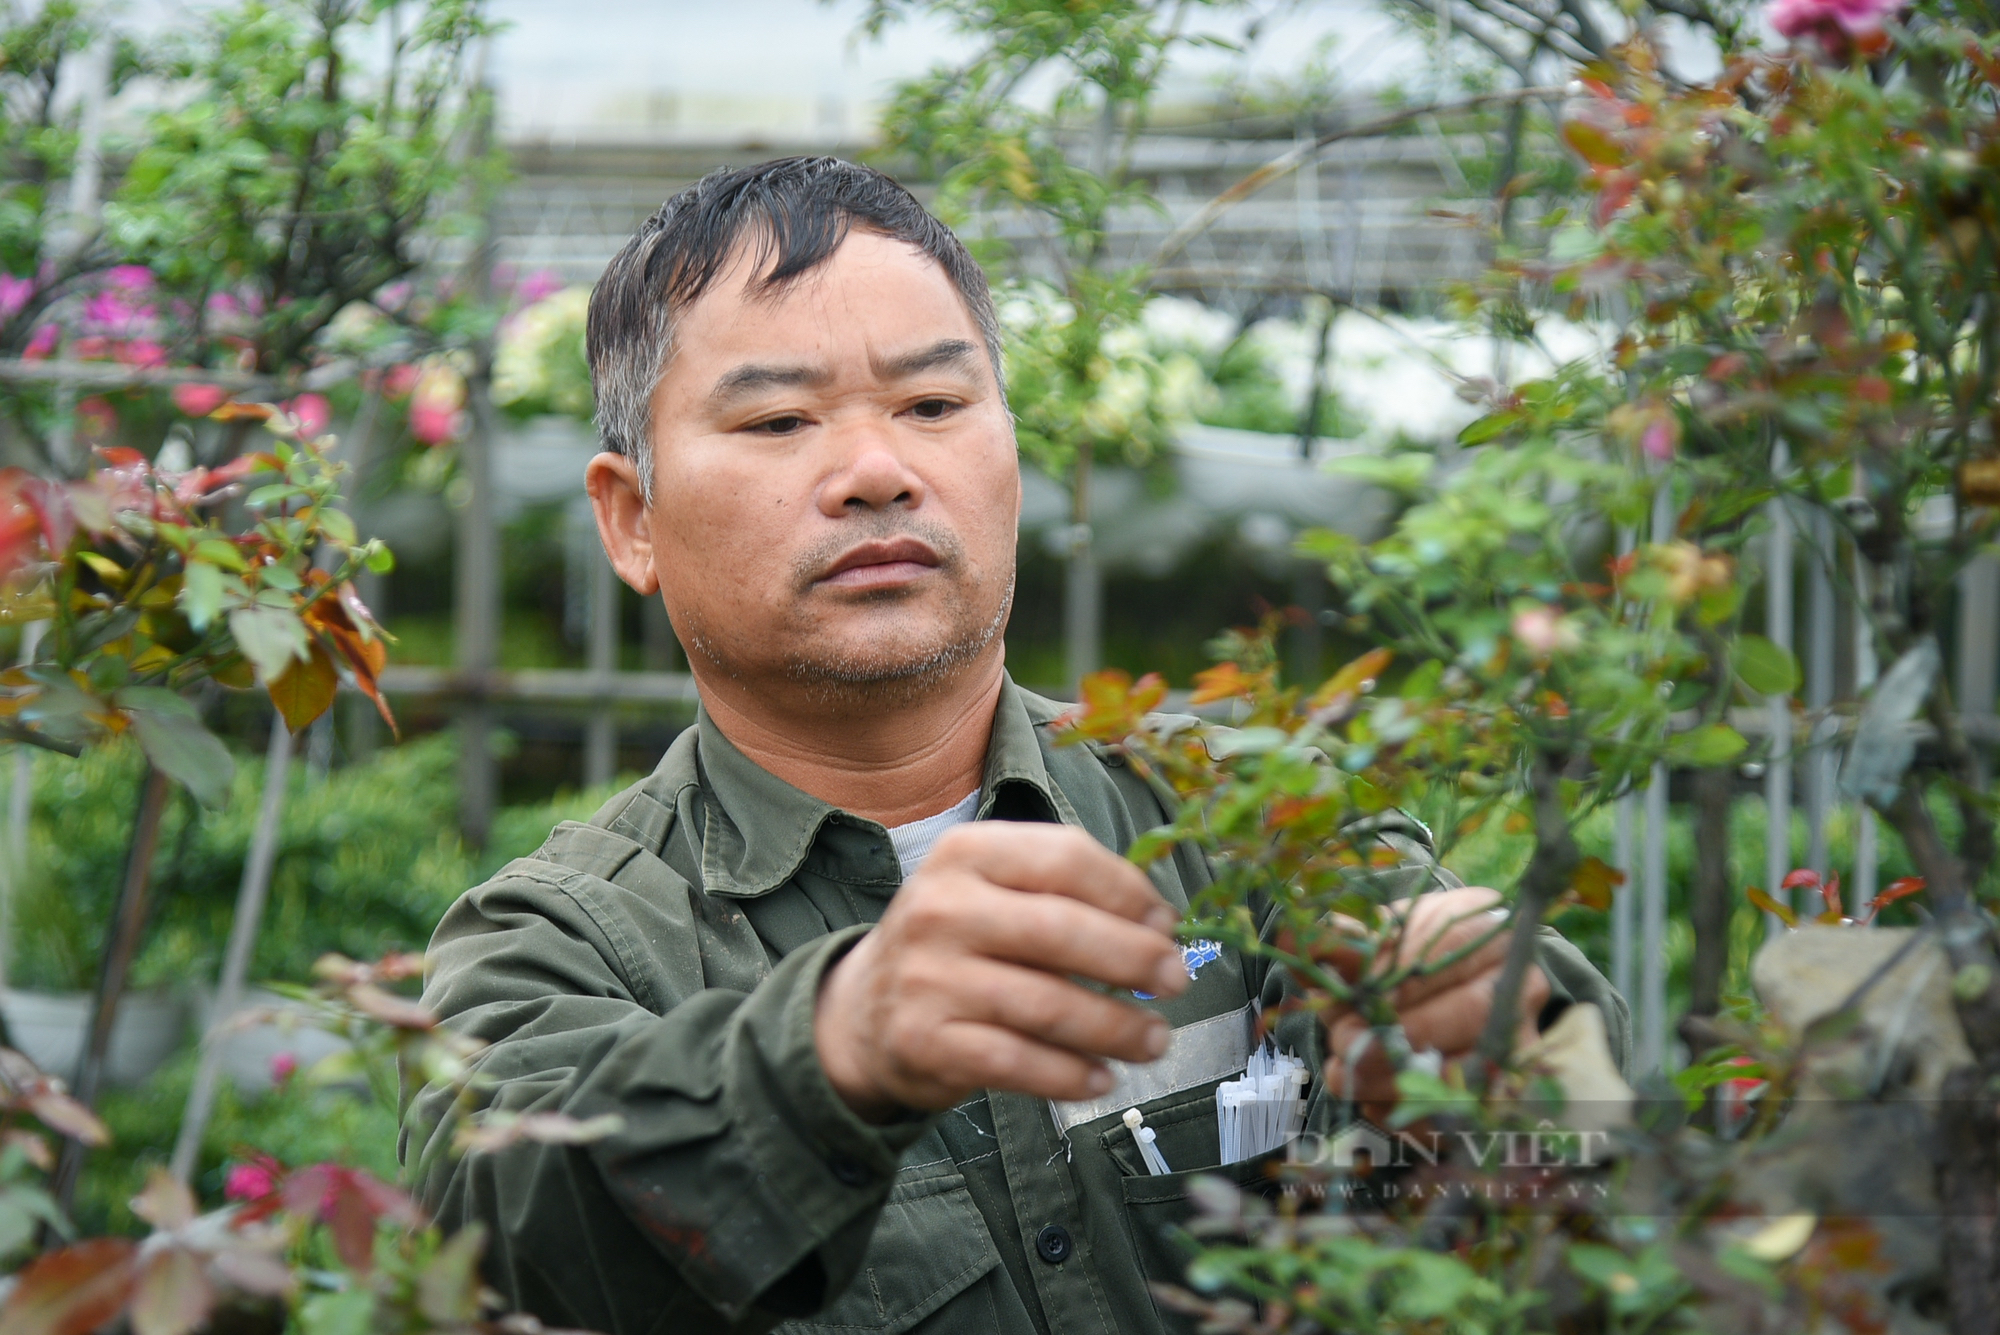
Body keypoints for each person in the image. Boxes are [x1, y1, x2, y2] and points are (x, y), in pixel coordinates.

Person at [404, 156, 1629, 1335]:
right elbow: (509, 1243)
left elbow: (1575, 1163)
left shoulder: (1249, 812)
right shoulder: (559, 944)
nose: (877, 471)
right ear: (630, 520)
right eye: (779, 419)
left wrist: (1494, 1028)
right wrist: (836, 1047)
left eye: (934, 405)